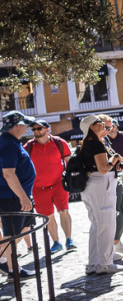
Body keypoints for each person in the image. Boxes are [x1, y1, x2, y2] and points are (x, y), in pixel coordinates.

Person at [77, 114, 123, 275]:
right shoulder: (95, 144)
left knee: (97, 225)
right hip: (101, 183)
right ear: (92, 127)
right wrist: (115, 158)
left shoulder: (86, 144)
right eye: (99, 122)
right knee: (106, 223)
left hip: (92, 185)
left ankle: (94, 262)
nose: (103, 124)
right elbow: (103, 168)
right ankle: (105, 263)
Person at [25, 119, 74, 253]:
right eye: (34, 129)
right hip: (38, 187)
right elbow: (23, 167)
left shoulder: (59, 142)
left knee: (63, 211)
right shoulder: (28, 146)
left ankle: (69, 240)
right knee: (48, 216)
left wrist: (71, 177)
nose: (36, 131)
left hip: (59, 183)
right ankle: (56, 242)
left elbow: (69, 160)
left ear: (47, 129)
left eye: (39, 128)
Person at [0, 111, 37, 279]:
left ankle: (8, 265)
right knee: (12, 234)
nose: (27, 126)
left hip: (17, 196)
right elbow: (8, 173)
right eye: (25, 124)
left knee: (23, 229)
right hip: (12, 198)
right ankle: (12, 268)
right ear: (16, 126)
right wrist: (23, 197)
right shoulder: (8, 144)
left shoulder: (12, 142)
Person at [104, 121, 123, 256]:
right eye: (106, 127)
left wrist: (121, 162)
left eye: (111, 126)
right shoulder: (102, 140)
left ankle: (115, 243)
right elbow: (103, 165)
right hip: (109, 177)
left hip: (122, 169)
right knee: (118, 210)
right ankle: (112, 245)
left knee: (122, 208)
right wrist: (115, 160)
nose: (110, 129)